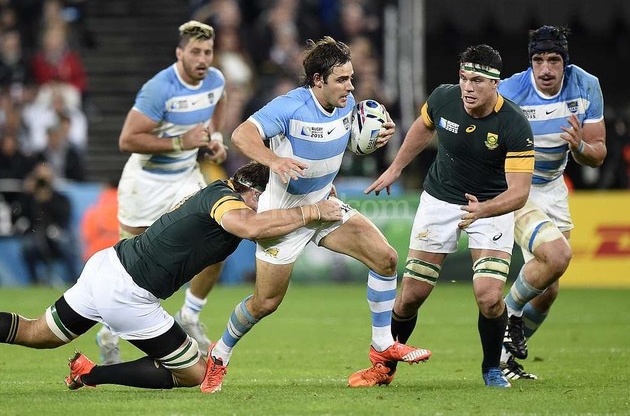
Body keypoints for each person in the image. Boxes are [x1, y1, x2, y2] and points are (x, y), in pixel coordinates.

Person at [200, 36, 432, 394]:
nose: (350, 87)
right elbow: (241, 135)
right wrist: (275, 160)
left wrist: (372, 137)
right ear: (318, 80)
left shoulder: (346, 103)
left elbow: (341, 140)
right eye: (342, 79)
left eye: (351, 78)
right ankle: (220, 353)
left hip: (324, 205)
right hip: (284, 215)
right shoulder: (290, 106)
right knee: (265, 303)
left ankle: (382, 344)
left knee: (386, 259)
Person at [0, 162, 343, 391]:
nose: (277, 205)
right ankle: (91, 374)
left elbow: (268, 227)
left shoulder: (222, 195)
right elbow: (251, 226)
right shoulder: (226, 201)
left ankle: (88, 371)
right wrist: (313, 210)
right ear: (253, 193)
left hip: (109, 265)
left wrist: (315, 200)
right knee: (194, 373)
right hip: (128, 292)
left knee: (37, 333)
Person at [360, 44, 535, 388]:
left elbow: (519, 193)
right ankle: (384, 366)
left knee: (489, 297)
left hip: (490, 205)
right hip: (439, 200)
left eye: (477, 81)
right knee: (410, 297)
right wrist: (396, 167)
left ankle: (492, 368)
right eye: (464, 78)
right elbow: (423, 127)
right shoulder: (444, 98)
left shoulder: (514, 124)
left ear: (495, 83)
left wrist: (483, 209)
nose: (468, 87)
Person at [95, 20, 229, 364]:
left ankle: (190, 315)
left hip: (186, 178)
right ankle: (109, 331)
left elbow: (220, 102)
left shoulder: (215, 80)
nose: (203, 59)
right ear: (179, 53)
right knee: (131, 269)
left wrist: (214, 138)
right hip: (146, 184)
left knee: (218, 236)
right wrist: (181, 142)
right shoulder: (159, 89)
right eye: (195, 52)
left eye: (208, 52)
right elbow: (127, 140)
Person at [497, 25, 606, 380]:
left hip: (553, 187)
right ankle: (509, 314)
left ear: (565, 62)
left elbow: (598, 153)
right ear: (530, 62)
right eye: (539, 60)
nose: (545, 69)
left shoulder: (586, 86)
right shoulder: (510, 91)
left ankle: (503, 360)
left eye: (554, 60)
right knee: (557, 256)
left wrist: (580, 147)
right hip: (514, 186)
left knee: (548, 289)